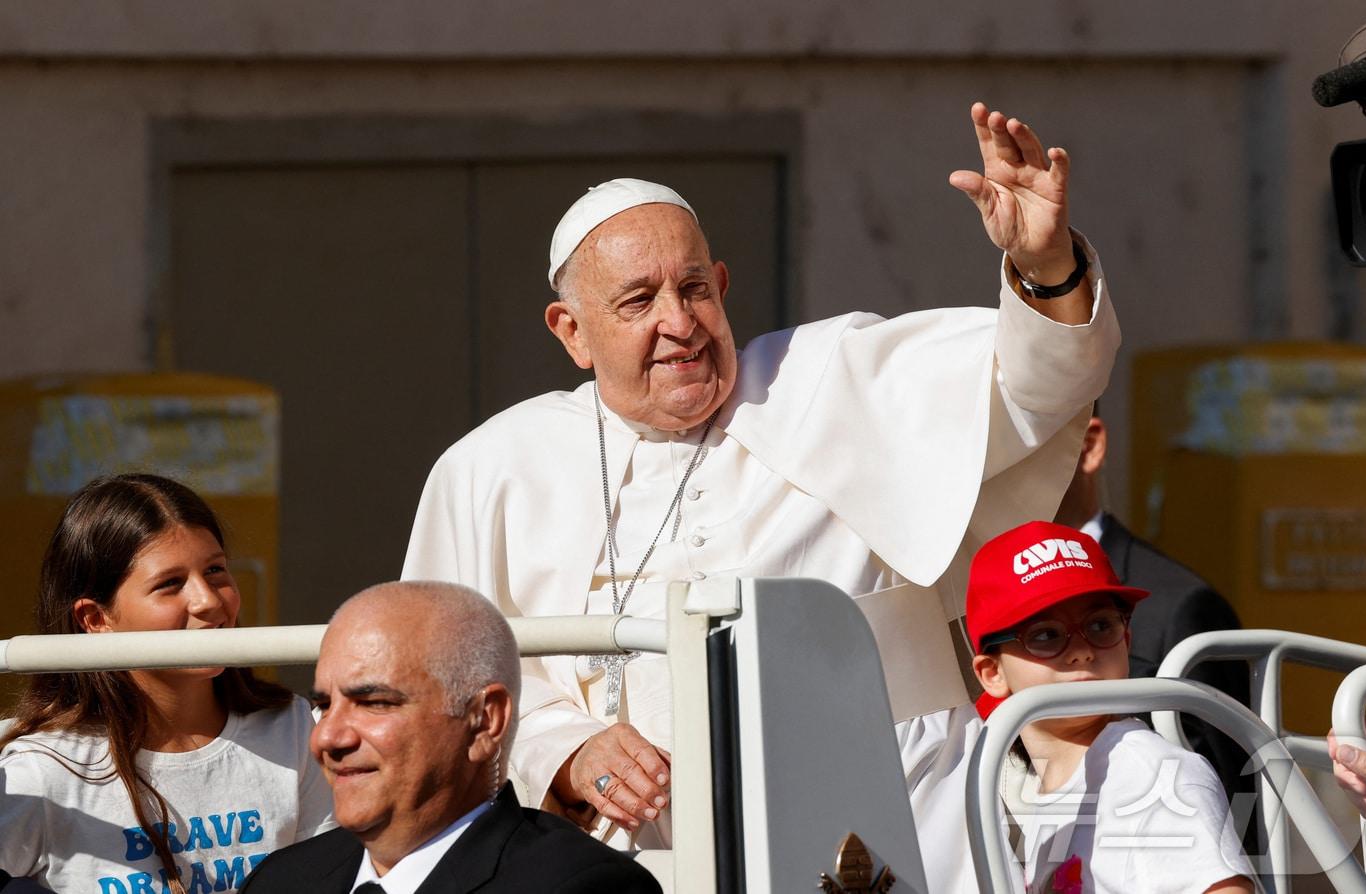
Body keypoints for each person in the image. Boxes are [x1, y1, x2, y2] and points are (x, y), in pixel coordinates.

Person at [402, 101, 1119, 877]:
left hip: (885, 824)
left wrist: (1046, 268)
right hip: (630, 860)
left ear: (723, 285)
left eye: (694, 288)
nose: (679, 322)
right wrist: (564, 752)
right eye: (638, 302)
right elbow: (440, 682)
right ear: (571, 332)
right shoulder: (494, 469)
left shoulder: (831, 376)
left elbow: (1038, 389)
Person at [0, 473, 335, 893]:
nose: (208, 601)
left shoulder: (295, 730)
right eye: (170, 584)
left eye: (215, 571)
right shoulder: (43, 769)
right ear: (95, 619)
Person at [241, 581, 662, 893]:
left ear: (483, 721)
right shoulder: (281, 881)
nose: (327, 737)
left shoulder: (578, 887)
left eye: (374, 703)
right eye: (324, 705)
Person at [967, 520, 1255, 894]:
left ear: (1127, 638)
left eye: (1101, 626)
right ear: (992, 673)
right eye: (1045, 635)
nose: (1082, 650)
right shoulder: (1051, 787)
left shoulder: (1149, 771)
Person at [1054, 412, 1252, 804]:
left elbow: (1230, 811)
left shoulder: (1179, 608)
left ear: (1088, 446)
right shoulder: (949, 607)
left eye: (1022, 443)